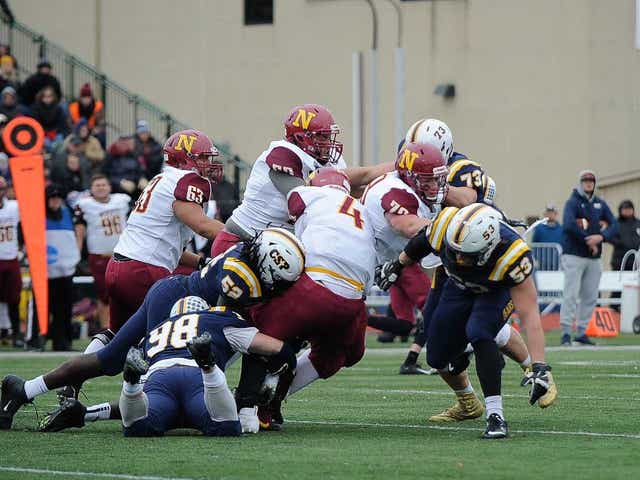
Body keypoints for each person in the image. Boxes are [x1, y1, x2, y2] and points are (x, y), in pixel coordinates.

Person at [0, 228, 304, 431]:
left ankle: (25, 389)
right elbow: (225, 324)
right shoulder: (242, 280)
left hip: (169, 291)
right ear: (267, 264)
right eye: (282, 277)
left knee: (108, 360)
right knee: (166, 385)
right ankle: (85, 413)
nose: (283, 286)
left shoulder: (243, 252)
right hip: (181, 307)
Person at [376, 204, 557, 439]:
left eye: (466, 255)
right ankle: (467, 384)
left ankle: (496, 416)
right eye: (455, 251)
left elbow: (530, 315)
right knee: (437, 357)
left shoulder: (511, 256)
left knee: (480, 331)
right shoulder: (445, 226)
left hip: (494, 291)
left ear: (489, 247)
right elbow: (420, 243)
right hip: (457, 286)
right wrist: (397, 265)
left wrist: (540, 366)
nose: (459, 258)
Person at [40, 296, 298, 437]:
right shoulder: (214, 319)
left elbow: (138, 402)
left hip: (159, 379)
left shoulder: (154, 331)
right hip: (196, 379)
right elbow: (273, 348)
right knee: (226, 426)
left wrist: (131, 388)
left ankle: (128, 383)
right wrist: (282, 363)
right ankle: (208, 366)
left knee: (138, 427)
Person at [248, 168, 377, 430]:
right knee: (338, 356)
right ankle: (275, 399)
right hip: (352, 301)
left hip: (314, 288)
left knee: (261, 333)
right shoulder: (363, 212)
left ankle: (245, 406)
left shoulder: (312, 194)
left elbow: (292, 205)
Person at [210, 103, 393, 257]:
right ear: (301, 137)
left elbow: (346, 191)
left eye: (329, 136)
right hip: (242, 241)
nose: (328, 142)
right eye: (322, 137)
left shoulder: (328, 159)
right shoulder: (282, 154)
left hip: (279, 247)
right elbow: (305, 200)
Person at [397, 118, 499, 373]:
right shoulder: (411, 157)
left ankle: (532, 367)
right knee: (435, 328)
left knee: (480, 322)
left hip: (473, 253)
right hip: (442, 253)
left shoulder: (464, 168)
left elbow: (468, 199)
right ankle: (466, 395)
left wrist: (434, 183)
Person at [361, 142, 446, 350]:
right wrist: (453, 225)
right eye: (428, 179)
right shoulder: (396, 191)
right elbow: (407, 226)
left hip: (385, 262)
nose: (435, 185)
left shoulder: (406, 185)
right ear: (410, 177)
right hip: (361, 261)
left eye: (437, 178)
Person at [560, 170, 618, 346]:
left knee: (590, 295)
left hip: (594, 258)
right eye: (585, 180)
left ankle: (582, 332)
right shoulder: (573, 202)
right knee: (571, 294)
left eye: (591, 180)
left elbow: (614, 224)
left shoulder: (600, 203)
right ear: (580, 182)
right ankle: (566, 333)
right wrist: (588, 241)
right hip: (574, 255)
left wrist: (601, 237)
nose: (588, 183)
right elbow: (569, 225)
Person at [74, 174, 131, 328]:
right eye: (97, 185)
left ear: (109, 187)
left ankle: (124, 327)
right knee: (104, 295)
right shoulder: (85, 205)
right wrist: (78, 251)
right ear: (91, 189)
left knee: (125, 293)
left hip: (123, 254)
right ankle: (106, 329)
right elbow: (80, 229)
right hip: (99, 256)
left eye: (103, 185)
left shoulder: (122, 200)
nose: (101, 188)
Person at [39, 184, 81, 351]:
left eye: (58, 197)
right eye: (52, 197)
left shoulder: (67, 212)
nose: (55, 201)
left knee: (65, 308)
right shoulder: (39, 216)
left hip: (66, 269)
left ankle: (63, 342)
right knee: (46, 308)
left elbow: (77, 231)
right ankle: (38, 340)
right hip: (46, 272)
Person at [0, 176, 22, 347]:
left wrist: (23, 249)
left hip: (10, 256)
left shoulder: (14, 207)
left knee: (14, 299)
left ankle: (16, 334)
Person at [610, 200, 640, 309]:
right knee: (618, 288)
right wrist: (620, 243)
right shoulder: (616, 223)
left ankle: (632, 309)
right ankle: (614, 309)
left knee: (633, 288)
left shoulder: (638, 223)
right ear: (621, 210)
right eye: (625, 209)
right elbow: (609, 236)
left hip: (635, 262)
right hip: (619, 261)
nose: (627, 211)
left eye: (629, 209)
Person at [28, 86, 70, 150]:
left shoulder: (58, 109)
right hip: (42, 135)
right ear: (41, 97)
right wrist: (43, 136)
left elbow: (63, 125)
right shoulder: (36, 109)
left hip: (56, 135)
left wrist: (59, 135)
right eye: (45, 97)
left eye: (49, 96)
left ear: (53, 97)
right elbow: (36, 125)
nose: (47, 99)